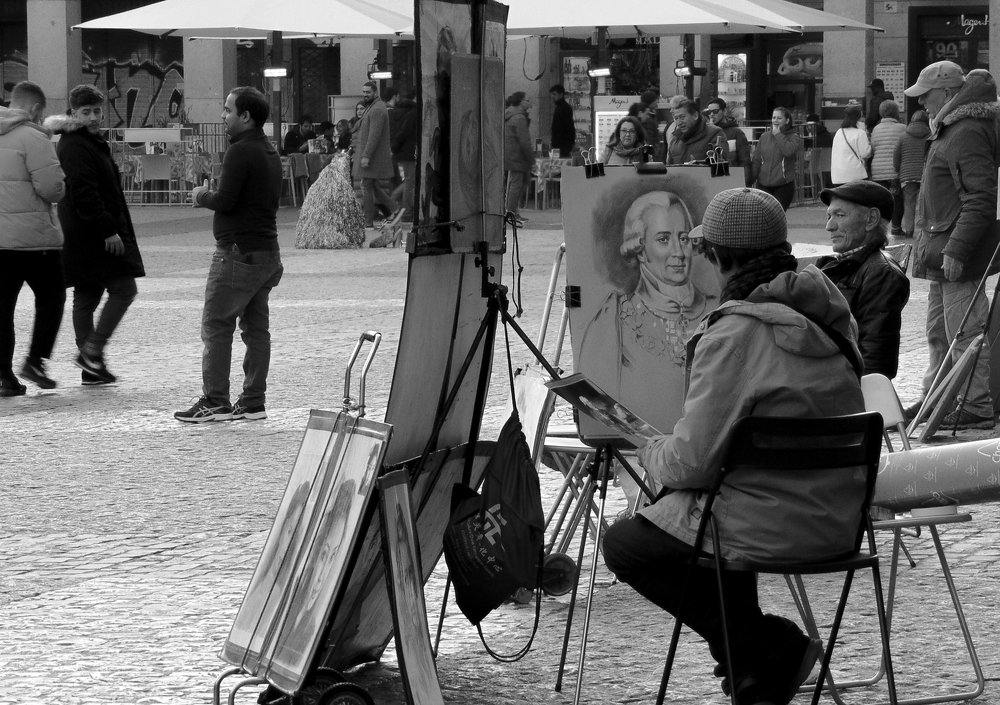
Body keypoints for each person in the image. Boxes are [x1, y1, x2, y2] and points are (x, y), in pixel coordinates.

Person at [603, 187, 865, 705]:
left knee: (627, 544)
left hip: (763, 524)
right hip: (836, 518)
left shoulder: (733, 333)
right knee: (713, 518)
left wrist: (648, 448)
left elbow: (692, 464)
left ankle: (764, 647)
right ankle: (754, 674)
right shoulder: (832, 316)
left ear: (719, 256)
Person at [175, 86, 283, 423]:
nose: (223, 116)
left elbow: (226, 200)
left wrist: (201, 194)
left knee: (217, 325)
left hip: (236, 254)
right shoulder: (269, 151)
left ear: (246, 116)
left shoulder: (240, 151)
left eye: (227, 110)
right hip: (266, 252)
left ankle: (215, 400)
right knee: (255, 329)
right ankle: (253, 401)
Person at [903, 62, 1000, 429]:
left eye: (926, 95)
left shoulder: (965, 130)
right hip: (941, 247)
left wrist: (957, 249)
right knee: (938, 332)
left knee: (965, 331)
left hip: (954, 251)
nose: (922, 102)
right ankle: (938, 398)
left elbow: (980, 197)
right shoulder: (950, 127)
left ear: (945, 93)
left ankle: (975, 406)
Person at [578, 191, 719, 431]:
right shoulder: (613, 320)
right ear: (640, 250)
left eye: (683, 238)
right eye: (664, 239)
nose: (678, 251)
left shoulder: (720, 308)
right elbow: (596, 414)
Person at [46, 84, 144, 386]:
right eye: (86, 111)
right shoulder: (75, 144)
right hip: (92, 233)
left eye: (97, 111)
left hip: (81, 233)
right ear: (73, 112)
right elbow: (85, 193)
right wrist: (108, 230)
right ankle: (92, 350)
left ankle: (92, 366)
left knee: (86, 296)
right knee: (124, 289)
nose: (93, 117)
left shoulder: (84, 141)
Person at [0, 80, 66, 396]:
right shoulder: (35, 137)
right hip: (35, 240)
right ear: (36, 109)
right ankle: (35, 361)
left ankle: (3, 376)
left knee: (1, 309)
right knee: (52, 297)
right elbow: (52, 188)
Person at [817, 181, 910, 379]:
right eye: (829, 216)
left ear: (871, 219)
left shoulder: (881, 273)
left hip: (843, 394)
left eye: (840, 215)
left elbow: (876, 364)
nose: (829, 226)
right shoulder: (840, 264)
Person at [352, 81, 397, 230]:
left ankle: (368, 222)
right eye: (363, 92)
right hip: (372, 156)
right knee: (373, 185)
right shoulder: (374, 107)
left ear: (375, 92)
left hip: (372, 157)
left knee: (367, 186)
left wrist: (366, 155)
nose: (365, 95)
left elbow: (374, 135)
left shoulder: (377, 109)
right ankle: (395, 209)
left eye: (368, 92)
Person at [751, 107, 802, 210]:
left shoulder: (794, 137)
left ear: (787, 121)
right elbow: (757, 160)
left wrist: (778, 134)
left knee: (777, 216)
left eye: (779, 118)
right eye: (773, 117)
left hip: (783, 184)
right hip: (763, 184)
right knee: (762, 216)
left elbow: (788, 152)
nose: (775, 120)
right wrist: (751, 179)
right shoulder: (764, 137)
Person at [868, 100, 906, 238]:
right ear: (896, 111)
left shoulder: (876, 129)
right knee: (897, 199)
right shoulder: (903, 128)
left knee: (880, 200)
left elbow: (872, 148)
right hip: (895, 171)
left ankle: (880, 228)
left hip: (878, 170)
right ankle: (896, 227)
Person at [892, 109, 930, 239]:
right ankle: (926, 231)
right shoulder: (931, 135)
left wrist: (898, 170)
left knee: (909, 204)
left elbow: (896, 157)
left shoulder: (903, 136)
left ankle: (909, 231)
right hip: (926, 174)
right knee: (926, 203)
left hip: (907, 175)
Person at [665, 98, 729, 165]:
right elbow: (669, 168)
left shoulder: (715, 133)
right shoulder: (675, 139)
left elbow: (720, 166)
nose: (679, 122)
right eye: (676, 118)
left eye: (682, 117)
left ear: (695, 115)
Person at [705, 97, 752, 186]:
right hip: (712, 179)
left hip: (732, 179)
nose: (711, 114)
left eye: (715, 111)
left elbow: (745, 161)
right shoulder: (706, 133)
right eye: (708, 112)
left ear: (724, 111)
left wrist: (744, 183)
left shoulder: (736, 133)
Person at [503, 91, 533, 225]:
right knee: (516, 185)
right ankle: (511, 212)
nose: (530, 103)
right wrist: (531, 158)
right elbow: (524, 141)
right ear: (521, 101)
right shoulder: (519, 118)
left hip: (510, 153)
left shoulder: (509, 114)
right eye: (528, 100)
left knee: (517, 184)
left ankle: (512, 211)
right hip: (518, 155)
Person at [390, 86, 418, 222]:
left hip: (401, 152)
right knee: (410, 181)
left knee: (408, 180)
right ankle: (405, 210)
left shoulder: (398, 111)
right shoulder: (413, 113)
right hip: (409, 152)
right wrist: (394, 148)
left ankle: (396, 205)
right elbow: (404, 132)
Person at [830, 105, 870, 186]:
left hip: (838, 177)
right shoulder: (860, 133)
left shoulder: (839, 132)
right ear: (858, 119)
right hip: (855, 175)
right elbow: (865, 153)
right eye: (862, 117)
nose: (864, 119)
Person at [549, 84, 576, 158]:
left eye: (554, 94)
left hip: (563, 145)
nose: (552, 97)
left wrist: (571, 142)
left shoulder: (564, 108)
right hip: (560, 144)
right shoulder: (560, 107)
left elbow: (569, 126)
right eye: (551, 94)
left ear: (561, 95)